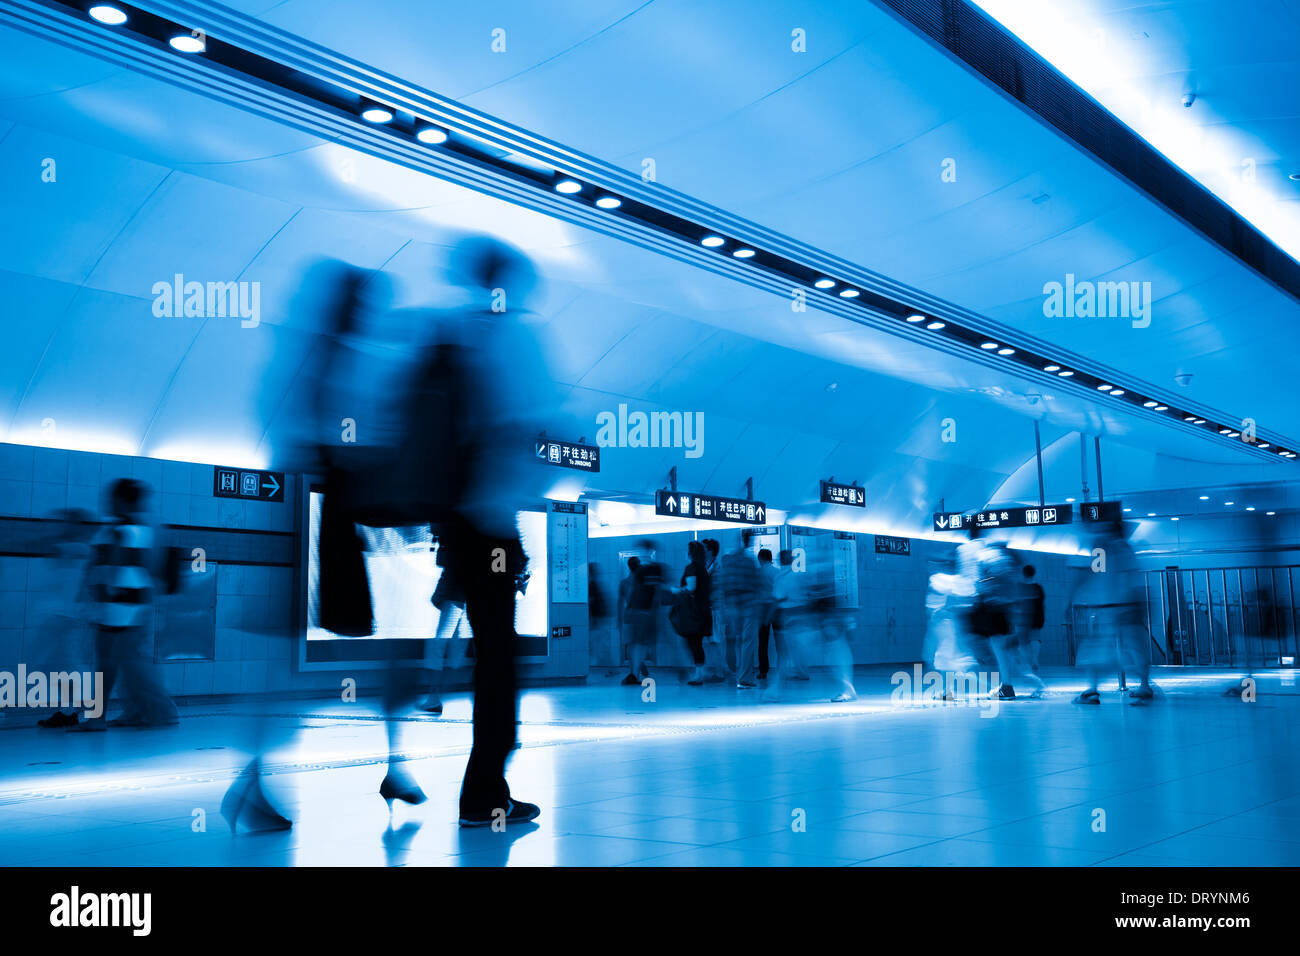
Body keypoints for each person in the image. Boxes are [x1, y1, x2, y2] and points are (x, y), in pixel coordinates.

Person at [429, 236, 559, 827]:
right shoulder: (514, 336)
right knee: (500, 655)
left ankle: (484, 786)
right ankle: (485, 790)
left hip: (455, 520)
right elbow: (540, 419)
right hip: (490, 526)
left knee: (490, 650)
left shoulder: (448, 332)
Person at [74, 479, 178, 731]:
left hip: (117, 602)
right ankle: (143, 711)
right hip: (132, 600)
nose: (107, 502)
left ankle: (99, 718)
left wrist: (104, 591)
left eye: (111, 498)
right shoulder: (142, 526)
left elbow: (116, 561)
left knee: (107, 662)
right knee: (125, 659)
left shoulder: (122, 527)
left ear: (121, 500)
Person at [1072, 521, 1152, 705]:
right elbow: (1133, 577)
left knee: (1096, 649)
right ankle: (1144, 685)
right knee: (1135, 648)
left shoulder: (1100, 548)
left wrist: (1074, 600)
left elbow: (1093, 576)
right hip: (1129, 605)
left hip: (1107, 607)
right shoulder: (1125, 549)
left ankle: (1091, 691)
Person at [33, 509, 96, 728]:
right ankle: (70, 709)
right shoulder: (74, 549)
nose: (61, 526)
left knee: (67, 665)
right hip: (60, 615)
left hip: (68, 617)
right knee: (53, 666)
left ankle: (79, 708)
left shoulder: (79, 549)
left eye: (66, 523)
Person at [421, 537, 471, 715]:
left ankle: (434, 698)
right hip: (464, 597)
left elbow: (449, 568)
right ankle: (436, 697)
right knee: (455, 650)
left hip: (455, 597)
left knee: (438, 644)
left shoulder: (454, 540)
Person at [720, 533, 762, 688]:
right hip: (748, 606)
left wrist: (726, 607)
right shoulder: (749, 561)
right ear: (747, 542)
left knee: (736, 641)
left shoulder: (727, 561)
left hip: (732, 606)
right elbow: (755, 585)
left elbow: (723, 585)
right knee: (748, 642)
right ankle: (745, 678)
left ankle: (737, 673)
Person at [669, 540, 711, 685]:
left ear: (690, 553)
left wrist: (676, 590)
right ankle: (699, 672)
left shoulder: (692, 568)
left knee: (693, 642)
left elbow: (691, 587)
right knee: (696, 642)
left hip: (693, 613)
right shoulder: (703, 568)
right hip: (703, 610)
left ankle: (698, 674)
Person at [623, 542, 665, 686]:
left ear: (649, 551)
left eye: (642, 550)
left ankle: (634, 674)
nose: (640, 553)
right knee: (636, 643)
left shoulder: (653, 569)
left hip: (643, 611)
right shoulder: (644, 570)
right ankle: (634, 674)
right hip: (638, 611)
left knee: (637, 644)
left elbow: (656, 591)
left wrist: (652, 611)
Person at [701, 539, 729, 681]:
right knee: (714, 641)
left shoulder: (716, 569)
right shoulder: (709, 566)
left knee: (715, 641)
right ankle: (721, 669)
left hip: (715, 609)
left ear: (710, 551)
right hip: (712, 609)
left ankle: (720, 672)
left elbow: (714, 590)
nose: (702, 551)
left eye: (704, 548)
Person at [617, 556, 642, 685]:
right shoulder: (641, 582)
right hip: (640, 616)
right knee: (638, 644)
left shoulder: (624, 582)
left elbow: (620, 602)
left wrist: (618, 619)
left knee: (631, 645)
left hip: (628, 615)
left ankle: (634, 671)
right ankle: (636, 673)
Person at [755, 549, 778, 680]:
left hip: (763, 608)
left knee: (762, 641)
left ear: (761, 559)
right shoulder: (777, 572)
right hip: (776, 607)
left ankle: (763, 671)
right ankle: (782, 670)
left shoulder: (758, 573)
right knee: (779, 640)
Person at [1021, 564, 1045, 673]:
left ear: (1023, 574)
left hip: (1023, 618)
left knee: (1023, 641)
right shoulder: (1038, 588)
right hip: (1037, 616)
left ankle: (1027, 662)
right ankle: (1034, 658)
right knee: (1035, 638)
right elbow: (1042, 604)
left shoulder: (1020, 587)